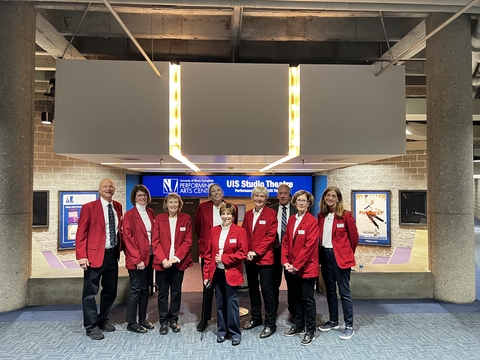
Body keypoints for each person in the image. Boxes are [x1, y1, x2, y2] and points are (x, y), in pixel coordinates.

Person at [76, 178, 123, 340]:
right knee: (90, 293)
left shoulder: (117, 207)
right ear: (99, 189)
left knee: (110, 291)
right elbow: (81, 233)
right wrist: (82, 255)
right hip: (94, 256)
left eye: (111, 186)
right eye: (105, 186)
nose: (108, 189)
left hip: (112, 254)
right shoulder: (89, 208)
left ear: (114, 189)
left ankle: (103, 319)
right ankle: (90, 326)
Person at [194, 183, 238, 332]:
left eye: (218, 190)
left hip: (226, 253)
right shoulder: (202, 208)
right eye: (213, 191)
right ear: (210, 194)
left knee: (225, 287)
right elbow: (198, 227)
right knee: (207, 285)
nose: (216, 193)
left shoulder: (232, 207)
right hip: (209, 252)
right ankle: (204, 318)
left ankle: (226, 318)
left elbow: (234, 227)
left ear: (222, 192)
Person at [317, 186, 359, 340]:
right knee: (330, 291)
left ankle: (349, 325)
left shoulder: (346, 215)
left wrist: (346, 253)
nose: (330, 198)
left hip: (341, 258)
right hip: (325, 256)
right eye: (328, 195)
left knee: (344, 292)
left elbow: (354, 238)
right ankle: (333, 321)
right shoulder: (321, 215)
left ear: (338, 198)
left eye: (333, 196)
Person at [203, 203, 247, 346]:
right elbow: (209, 255)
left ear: (233, 216)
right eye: (223, 213)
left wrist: (224, 258)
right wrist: (206, 276)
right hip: (217, 273)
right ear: (220, 215)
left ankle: (234, 333)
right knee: (220, 303)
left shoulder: (240, 231)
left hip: (232, 272)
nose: (226, 216)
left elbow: (243, 253)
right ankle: (222, 331)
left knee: (232, 303)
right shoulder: (214, 231)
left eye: (229, 214)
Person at [281, 190, 319, 346]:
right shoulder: (291, 220)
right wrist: (285, 261)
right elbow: (285, 241)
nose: (301, 203)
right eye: (299, 200)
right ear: (294, 202)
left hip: (306, 268)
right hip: (290, 267)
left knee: (307, 300)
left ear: (309, 203)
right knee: (295, 298)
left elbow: (309, 247)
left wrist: (296, 266)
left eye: (304, 200)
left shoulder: (312, 221)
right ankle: (298, 325)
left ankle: (310, 331)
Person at [152, 192, 193, 335]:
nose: (173, 205)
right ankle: (163, 321)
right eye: (170, 202)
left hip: (178, 263)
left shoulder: (186, 219)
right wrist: (164, 260)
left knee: (176, 292)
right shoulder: (159, 219)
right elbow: (155, 241)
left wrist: (175, 258)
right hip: (162, 263)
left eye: (176, 202)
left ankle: (174, 320)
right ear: (166, 204)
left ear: (179, 204)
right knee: (162, 293)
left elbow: (188, 241)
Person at [242, 186, 278, 339]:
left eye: (262, 196)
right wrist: (246, 253)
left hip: (264, 259)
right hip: (250, 259)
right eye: (256, 195)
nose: (258, 198)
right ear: (252, 197)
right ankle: (256, 318)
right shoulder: (248, 214)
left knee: (267, 291)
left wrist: (256, 251)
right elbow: (243, 234)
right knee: (253, 290)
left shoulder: (271, 213)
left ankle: (270, 323)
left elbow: (270, 237)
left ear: (265, 199)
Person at [122, 184, 155, 333]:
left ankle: (142, 319)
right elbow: (127, 238)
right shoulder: (129, 215)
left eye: (144, 195)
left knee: (144, 290)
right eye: (139, 195)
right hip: (137, 259)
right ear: (134, 197)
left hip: (149, 257)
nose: (142, 198)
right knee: (135, 290)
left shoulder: (150, 212)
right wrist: (137, 259)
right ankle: (131, 322)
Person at [269, 184, 297, 321]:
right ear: (277, 195)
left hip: (291, 254)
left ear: (289, 195)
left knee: (292, 283)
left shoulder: (297, 210)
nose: (283, 195)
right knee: (273, 283)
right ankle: (273, 311)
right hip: (274, 251)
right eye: (280, 193)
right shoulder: (270, 210)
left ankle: (294, 312)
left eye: (285, 193)